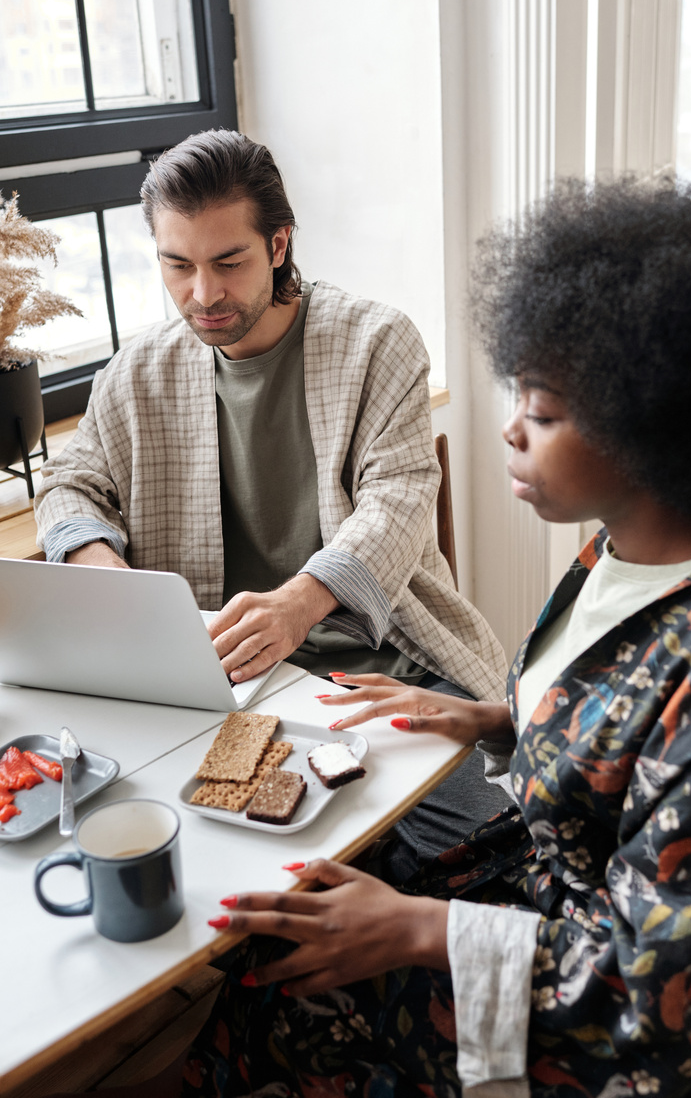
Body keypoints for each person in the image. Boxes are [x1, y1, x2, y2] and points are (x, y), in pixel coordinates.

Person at [166, 176, 691, 1096]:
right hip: (551, 904)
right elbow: (618, 730)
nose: (506, 432)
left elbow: (673, 1002)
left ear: (655, 425)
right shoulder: (624, 553)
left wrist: (417, 931)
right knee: (300, 903)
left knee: (298, 990)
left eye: (541, 415)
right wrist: (483, 719)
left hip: (627, 1029)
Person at [34, 129, 509, 863]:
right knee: (172, 856)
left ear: (279, 244)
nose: (203, 294)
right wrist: (112, 580)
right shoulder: (136, 373)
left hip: (378, 668)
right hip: (214, 687)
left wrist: (301, 602)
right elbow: (70, 485)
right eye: (177, 265)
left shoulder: (376, 341)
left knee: (484, 841)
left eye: (229, 262)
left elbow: (400, 496)